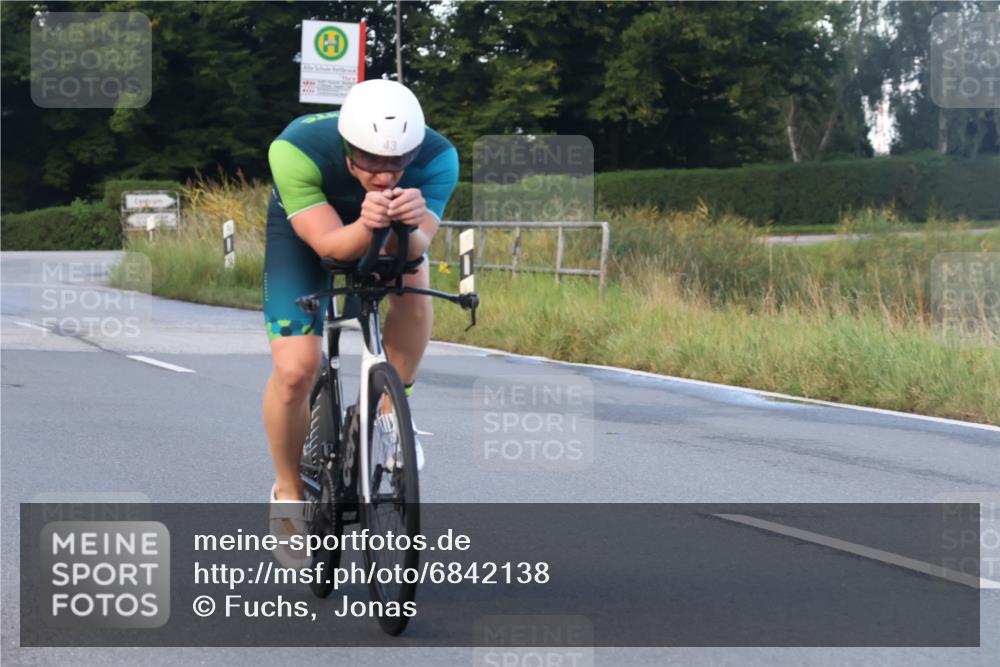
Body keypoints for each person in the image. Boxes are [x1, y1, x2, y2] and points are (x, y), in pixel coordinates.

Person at [261, 80, 458, 553]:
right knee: (295, 371)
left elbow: (415, 251)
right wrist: (367, 221)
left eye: (396, 163)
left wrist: (405, 226)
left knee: (412, 287)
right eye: (370, 161)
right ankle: (287, 492)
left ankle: (392, 413)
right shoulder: (296, 149)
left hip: (389, 232)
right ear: (348, 147)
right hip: (309, 236)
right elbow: (329, 246)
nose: (385, 175)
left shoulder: (437, 158)